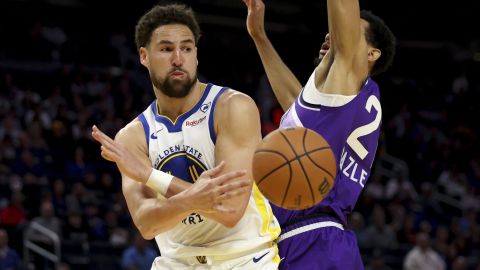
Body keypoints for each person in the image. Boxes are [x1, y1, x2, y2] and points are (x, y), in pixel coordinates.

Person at [92, 3, 280, 269]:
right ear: (144, 56)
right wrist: (194, 197)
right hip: (176, 262)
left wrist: (150, 176)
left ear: (196, 55)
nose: (178, 58)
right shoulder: (132, 137)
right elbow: (147, 224)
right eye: (167, 49)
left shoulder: (232, 107)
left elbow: (230, 211)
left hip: (244, 258)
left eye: (187, 48)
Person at [243, 0, 396, 268]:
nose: (333, 34)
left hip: (313, 241)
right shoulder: (336, 102)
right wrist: (260, 36)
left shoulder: (350, 73)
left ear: (371, 54)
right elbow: (294, 102)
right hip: (314, 241)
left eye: (347, 31)